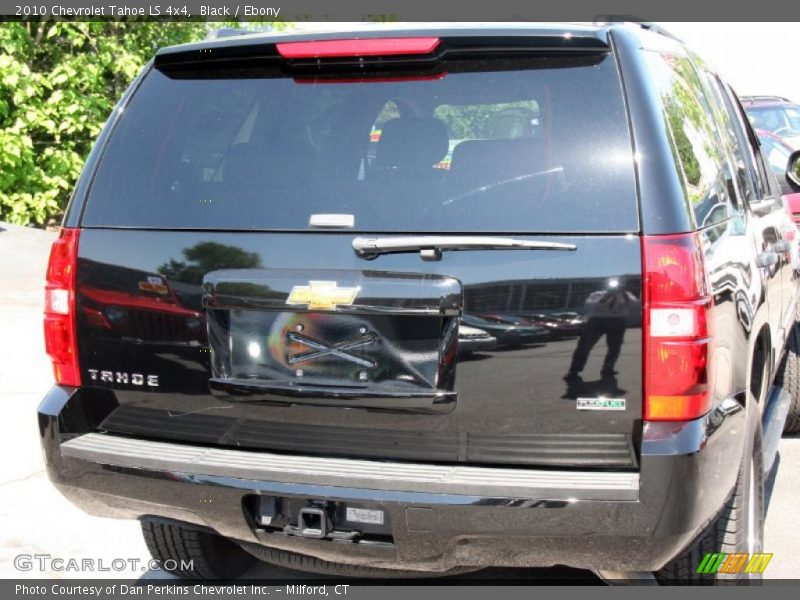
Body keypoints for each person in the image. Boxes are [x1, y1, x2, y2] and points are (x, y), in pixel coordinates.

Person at [564, 278, 636, 380]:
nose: (615, 288)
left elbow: (634, 306)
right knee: (584, 346)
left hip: (617, 321)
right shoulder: (597, 294)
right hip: (597, 321)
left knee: (614, 347)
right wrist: (606, 297)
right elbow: (591, 306)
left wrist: (624, 295)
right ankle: (574, 371)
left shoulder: (626, 295)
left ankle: (608, 367)